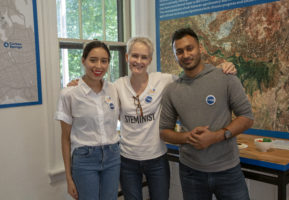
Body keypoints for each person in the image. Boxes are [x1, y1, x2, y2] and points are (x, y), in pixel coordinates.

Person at [67, 37, 237, 200]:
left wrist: (219, 68)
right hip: (127, 160)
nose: (138, 61)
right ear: (127, 57)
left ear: (149, 60)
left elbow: (193, 78)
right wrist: (77, 83)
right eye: (134, 56)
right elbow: (95, 87)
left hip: (157, 158)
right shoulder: (116, 86)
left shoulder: (164, 80)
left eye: (144, 57)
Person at [159, 27, 254, 200]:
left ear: (200, 48)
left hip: (228, 171)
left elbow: (247, 118)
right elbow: (164, 132)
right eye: (179, 51)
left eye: (190, 48)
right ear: (174, 55)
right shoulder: (172, 90)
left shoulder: (226, 77)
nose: (186, 55)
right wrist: (189, 137)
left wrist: (216, 136)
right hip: (191, 172)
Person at [55, 40, 120, 200]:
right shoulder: (69, 94)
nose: (98, 66)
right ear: (83, 60)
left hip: (113, 156)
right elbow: (65, 139)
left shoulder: (113, 89)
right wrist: (69, 178)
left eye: (104, 61)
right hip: (84, 159)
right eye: (93, 60)